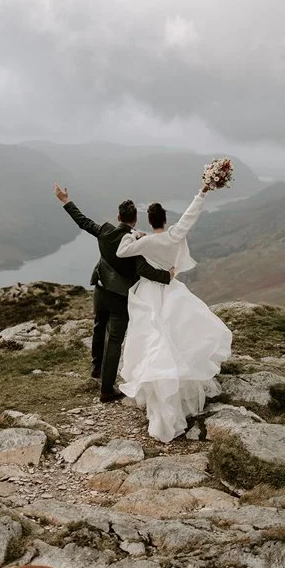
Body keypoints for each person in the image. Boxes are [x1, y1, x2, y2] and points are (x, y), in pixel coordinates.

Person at [116, 180, 233, 442]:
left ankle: (159, 395)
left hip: (149, 293)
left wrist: (134, 235)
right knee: (178, 340)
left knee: (154, 341)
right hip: (171, 291)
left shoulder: (145, 243)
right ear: (165, 220)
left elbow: (122, 251)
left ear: (149, 221)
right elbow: (191, 215)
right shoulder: (174, 235)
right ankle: (179, 396)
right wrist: (202, 192)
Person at [54, 184, 175, 403]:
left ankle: (96, 368)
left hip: (100, 291)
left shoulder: (105, 231)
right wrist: (167, 276)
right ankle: (106, 390)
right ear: (134, 220)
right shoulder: (135, 243)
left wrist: (65, 200)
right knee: (114, 342)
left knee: (99, 327)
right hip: (120, 298)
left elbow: (83, 221)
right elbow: (143, 269)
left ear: (118, 217)